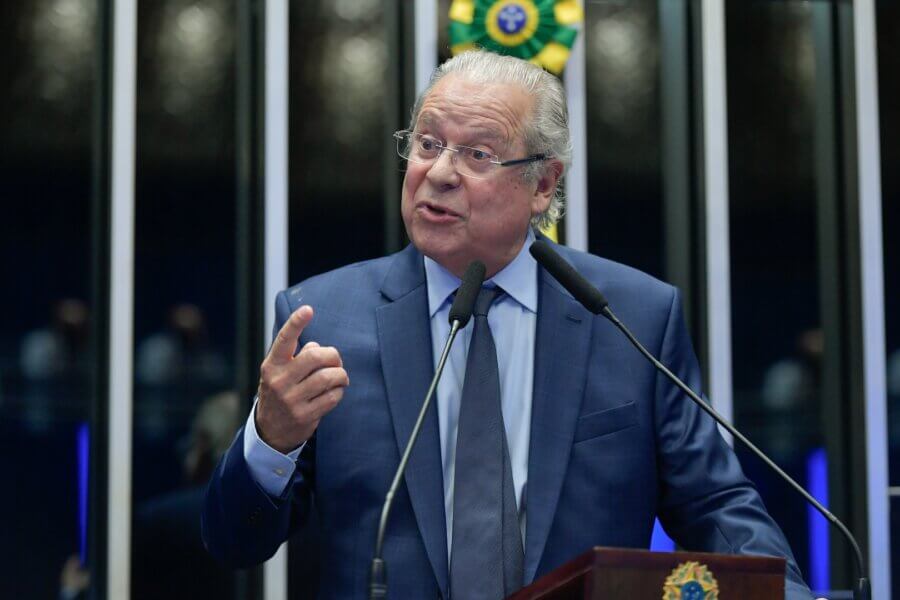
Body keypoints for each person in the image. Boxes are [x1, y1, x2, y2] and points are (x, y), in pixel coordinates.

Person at [202, 51, 812, 599]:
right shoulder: (324, 317)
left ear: (543, 183)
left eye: (478, 154)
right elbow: (235, 544)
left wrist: (784, 592)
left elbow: (715, 503)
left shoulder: (632, 316)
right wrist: (270, 440)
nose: (439, 173)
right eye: (427, 143)